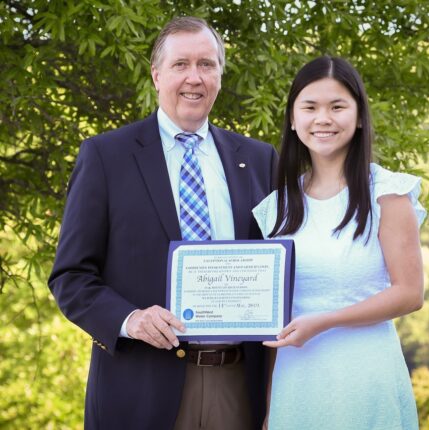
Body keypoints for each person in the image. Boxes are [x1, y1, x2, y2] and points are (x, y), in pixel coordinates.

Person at [48, 16, 278, 430]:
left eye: (206, 64)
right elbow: (71, 276)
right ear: (156, 75)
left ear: (220, 75)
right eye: (180, 64)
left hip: (238, 384)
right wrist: (130, 319)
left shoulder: (260, 159)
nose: (195, 77)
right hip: (140, 386)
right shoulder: (106, 157)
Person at [253, 56, 426, 430]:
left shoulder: (388, 193)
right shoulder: (276, 207)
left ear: (359, 116)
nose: (323, 119)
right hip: (296, 382)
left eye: (337, 106)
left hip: (365, 376)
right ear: (293, 118)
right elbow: (273, 316)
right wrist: (269, 405)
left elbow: (410, 293)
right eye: (310, 107)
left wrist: (325, 321)